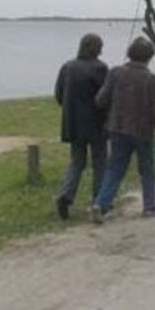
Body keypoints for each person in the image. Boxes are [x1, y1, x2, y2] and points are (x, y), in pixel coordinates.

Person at [91, 37, 155, 223]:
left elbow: (100, 100)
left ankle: (101, 204)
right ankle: (149, 208)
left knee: (114, 169)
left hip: (118, 129)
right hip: (143, 132)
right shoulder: (151, 80)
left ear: (129, 54)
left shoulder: (115, 73)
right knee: (147, 170)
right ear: (149, 58)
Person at [53, 34, 108, 220]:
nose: (102, 50)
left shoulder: (67, 67)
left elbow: (59, 94)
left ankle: (66, 196)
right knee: (100, 161)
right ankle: (99, 201)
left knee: (77, 162)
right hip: (96, 124)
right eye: (100, 46)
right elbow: (105, 97)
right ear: (94, 48)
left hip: (73, 124)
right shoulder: (100, 68)